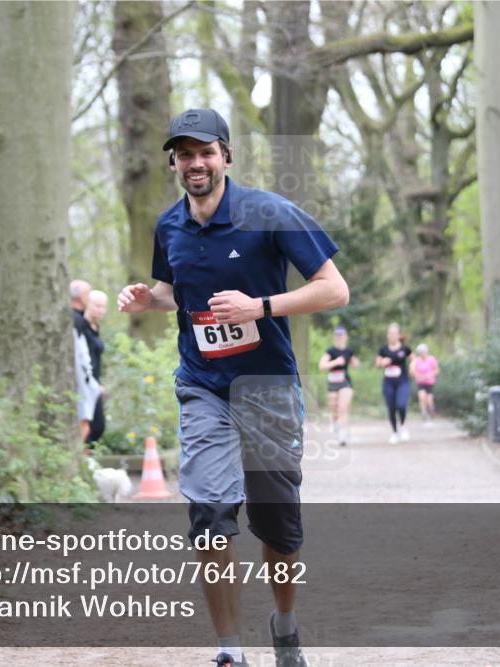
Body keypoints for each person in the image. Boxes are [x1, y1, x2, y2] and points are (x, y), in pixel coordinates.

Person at [117, 108, 348, 667]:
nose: (195, 163)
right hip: (203, 386)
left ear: (226, 156)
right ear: (174, 162)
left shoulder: (269, 212)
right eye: (185, 154)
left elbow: (334, 289)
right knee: (210, 516)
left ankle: (284, 626)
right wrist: (149, 298)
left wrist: (260, 307)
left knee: (279, 525)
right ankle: (229, 651)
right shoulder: (170, 226)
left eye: (206, 152)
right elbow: (175, 291)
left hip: (267, 387)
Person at [70, 279, 100, 448]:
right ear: (81, 297)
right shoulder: (76, 321)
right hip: (82, 379)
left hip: (86, 378)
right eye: (88, 294)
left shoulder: (80, 320)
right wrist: (89, 380)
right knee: (85, 420)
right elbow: (81, 355)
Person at [317, 326, 358, 446]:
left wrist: (354, 362)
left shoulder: (349, 351)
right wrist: (335, 362)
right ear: (335, 337)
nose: (340, 338)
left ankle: (343, 435)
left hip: (345, 382)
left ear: (346, 337)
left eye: (342, 335)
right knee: (334, 409)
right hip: (333, 383)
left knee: (343, 407)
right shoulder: (331, 351)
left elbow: (355, 364)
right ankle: (336, 427)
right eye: (338, 335)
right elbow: (322, 366)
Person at [375, 323, 412, 444]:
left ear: (399, 335)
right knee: (391, 407)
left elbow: (414, 360)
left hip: (402, 382)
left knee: (401, 405)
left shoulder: (405, 349)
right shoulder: (383, 349)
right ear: (387, 335)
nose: (392, 335)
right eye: (390, 333)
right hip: (388, 382)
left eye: (395, 333)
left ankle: (403, 425)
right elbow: (377, 364)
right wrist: (382, 363)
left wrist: (412, 367)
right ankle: (394, 432)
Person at [84, 289, 108, 443]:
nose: (100, 310)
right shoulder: (81, 327)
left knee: (98, 426)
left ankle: (86, 453)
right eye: (97, 306)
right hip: (86, 382)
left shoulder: (95, 328)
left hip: (95, 382)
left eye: (103, 307)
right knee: (94, 425)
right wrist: (93, 382)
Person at [412, 343, 439, 421]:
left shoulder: (432, 359)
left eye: (423, 352)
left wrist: (430, 375)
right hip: (421, 381)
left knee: (428, 398)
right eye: (420, 352)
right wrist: (418, 375)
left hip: (430, 382)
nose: (422, 354)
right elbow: (413, 370)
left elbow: (437, 370)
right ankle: (423, 412)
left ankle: (431, 408)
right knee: (421, 396)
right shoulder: (417, 360)